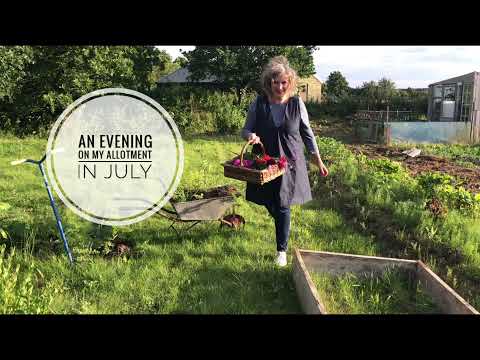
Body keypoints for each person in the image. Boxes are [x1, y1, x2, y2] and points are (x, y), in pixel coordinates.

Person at [241, 56, 328, 267]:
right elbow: (246, 129)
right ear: (269, 82)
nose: (280, 87)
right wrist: (250, 136)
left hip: (290, 162)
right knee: (269, 201)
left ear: (290, 83)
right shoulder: (259, 104)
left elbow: (307, 133)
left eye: (284, 83)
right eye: (275, 82)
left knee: (282, 205)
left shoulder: (297, 104)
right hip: (264, 162)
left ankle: (281, 251)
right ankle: (281, 222)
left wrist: (317, 158)